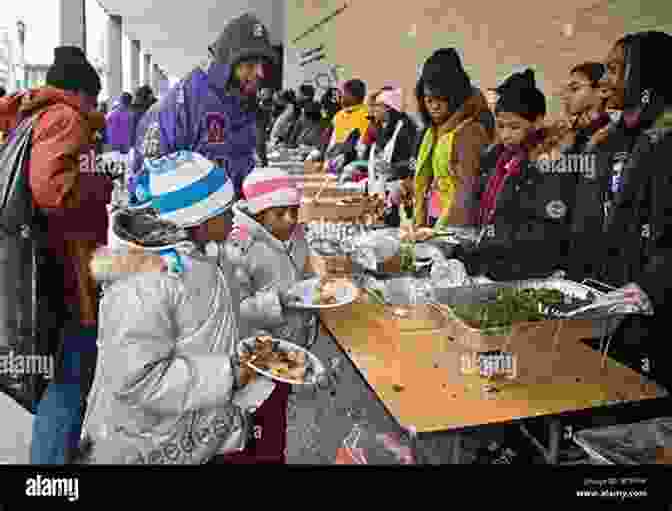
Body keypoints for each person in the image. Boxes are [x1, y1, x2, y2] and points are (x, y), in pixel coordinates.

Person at [79, 152, 280, 464]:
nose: (235, 216)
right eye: (226, 211)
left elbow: (218, 317)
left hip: (193, 434)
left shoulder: (210, 255)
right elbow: (136, 379)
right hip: (148, 446)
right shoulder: (145, 284)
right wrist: (229, 375)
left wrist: (263, 325)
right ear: (198, 220)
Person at [0, 45, 105, 464]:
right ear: (80, 93)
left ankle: (59, 453)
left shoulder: (31, 116)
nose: (94, 109)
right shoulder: (65, 118)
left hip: (37, 266)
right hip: (61, 269)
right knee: (69, 370)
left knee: (58, 371)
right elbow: (50, 190)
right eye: (92, 101)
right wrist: (99, 189)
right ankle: (50, 473)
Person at [587, 31, 672, 393]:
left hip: (655, 314)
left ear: (646, 78)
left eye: (615, 69)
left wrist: (646, 288)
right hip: (617, 300)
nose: (604, 80)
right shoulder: (619, 138)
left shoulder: (665, 142)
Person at [130, 13, 277, 201]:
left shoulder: (243, 103)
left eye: (262, 64)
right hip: (189, 224)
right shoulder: (184, 104)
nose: (260, 73)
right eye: (249, 64)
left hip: (230, 220)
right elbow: (147, 185)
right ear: (228, 64)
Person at [452, 69, 577, 281]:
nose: (506, 134)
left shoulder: (549, 161)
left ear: (537, 121)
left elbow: (544, 230)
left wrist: (490, 244)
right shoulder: (500, 158)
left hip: (525, 270)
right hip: (494, 261)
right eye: (501, 126)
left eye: (514, 127)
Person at [410, 48, 492, 229]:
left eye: (441, 98)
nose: (434, 106)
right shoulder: (432, 131)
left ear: (454, 96)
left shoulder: (470, 132)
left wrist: (441, 236)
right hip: (434, 220)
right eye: (429, 100)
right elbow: (428, 176)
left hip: (454, 229)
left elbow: (466, 193)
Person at [256, 87, 274, 166]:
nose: (262, 95)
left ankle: (263, 160)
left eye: (264, 94)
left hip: (262, 125)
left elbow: (269, 115)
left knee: (260, 143)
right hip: (259, 125)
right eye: (261, 93)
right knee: (259, 144)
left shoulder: (269, 105)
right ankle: (262, 160)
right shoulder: (260, 103)